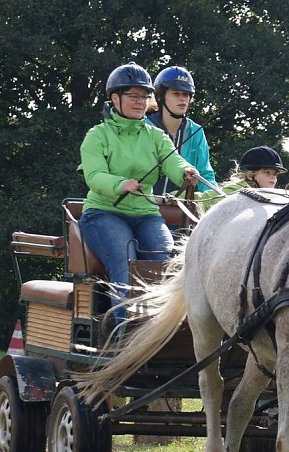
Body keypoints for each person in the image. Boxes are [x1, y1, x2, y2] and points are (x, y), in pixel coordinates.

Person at [78, 61, 199, 323]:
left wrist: (186, 172)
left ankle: (162, 329)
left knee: (166, 263)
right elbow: (94, 176)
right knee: (126, 264)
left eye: (144, 96)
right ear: (115, 98)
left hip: (146, 214)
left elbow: (174, 162)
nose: (140, 102)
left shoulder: (155, 136)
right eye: (133, 96)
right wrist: (120, 184)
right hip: (104, 213)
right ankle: (126, 333)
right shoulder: (97, 136)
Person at [146, 65, 217, 194]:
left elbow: (205, 174)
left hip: (183, 204)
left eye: (186, 94)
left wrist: (215, 199)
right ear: (160, 97)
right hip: (144, 203)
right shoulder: (143, 126)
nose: (182, 98)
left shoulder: (196, 131)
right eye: (176, 93)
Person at [216, 145, 288, 202]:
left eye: (275, 174)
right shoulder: (232, 193)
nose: (273, 177)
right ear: (250, 175)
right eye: (267, 172)